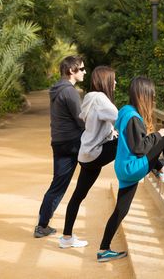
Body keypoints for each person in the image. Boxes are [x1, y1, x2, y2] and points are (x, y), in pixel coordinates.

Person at [97, 76, 164, 262]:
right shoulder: (134, 118)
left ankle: (103, 250)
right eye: (152, 93)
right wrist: (158, 134)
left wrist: (155, 147)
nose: (155, 96)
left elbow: (135, 143)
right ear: (144, 95)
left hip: (124, 166)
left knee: (121, 210)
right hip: (132, 167)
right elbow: (139, 148)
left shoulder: (126, 110)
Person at [58, 66, 118, 249]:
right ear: (105, 81)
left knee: (78, 196)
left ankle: (66, 238)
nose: (115, 83)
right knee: (129, 144)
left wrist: (110, 133)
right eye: (113, 79)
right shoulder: (101, 99)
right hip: (95, 153)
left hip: (86, 154)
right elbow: (121, 118)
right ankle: (161, 168)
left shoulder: (90, 97)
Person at [34, 55, 86, 238]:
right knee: (58, 185)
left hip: (60, 142)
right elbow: (81, 120)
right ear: (71, 70)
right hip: (72, 143)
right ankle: (42, 225)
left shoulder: (57, 89)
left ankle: (43, 224)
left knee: (58, 184)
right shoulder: (70, 91)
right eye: (81, 69)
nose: (84, 72)